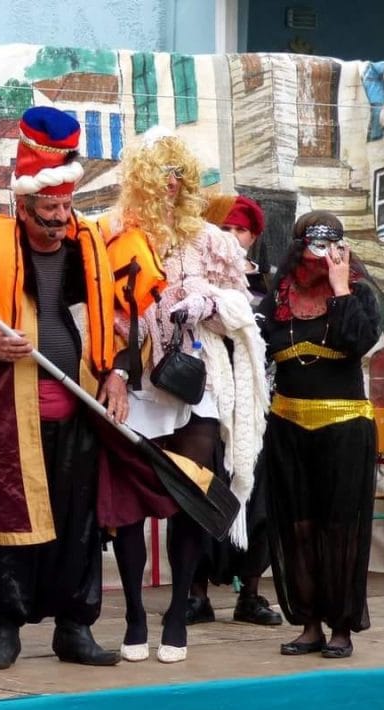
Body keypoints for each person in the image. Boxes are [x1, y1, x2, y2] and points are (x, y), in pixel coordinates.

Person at [0, 106, 127, 671]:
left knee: (78, 529)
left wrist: (117, 373)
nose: (60, 220)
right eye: (49, 211)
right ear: (23, 206)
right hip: (8, 418)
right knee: (8, 527)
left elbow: (120, 319)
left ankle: (75, 630)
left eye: (66, 208)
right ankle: (4, 633)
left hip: (79, 414)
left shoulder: (87, 251)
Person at [103, 129, 268, 664]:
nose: (171, 185)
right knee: (129, 504)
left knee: (192, 497)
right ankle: (134, 614)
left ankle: (178, 612)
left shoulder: (210, 240)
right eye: (161, 175)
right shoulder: (114, 233)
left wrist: (206, 302)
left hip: (195, 383)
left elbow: (243, 311)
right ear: (143, 179)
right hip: (135, 381)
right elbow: (99, 308)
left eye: (180, 175)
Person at [258, 210, 381, 659]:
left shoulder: (358, 293)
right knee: (299, 528)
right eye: (312, 244)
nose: (320, 254)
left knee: (339, 528)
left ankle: (341, 627)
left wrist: (340, 286)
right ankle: (309, 624)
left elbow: (358, 341)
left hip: (344, 428)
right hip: (288, 426)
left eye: (330, 245)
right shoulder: (279, 296)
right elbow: (256, 344)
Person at [179, 194, 283, 627]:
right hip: (206, 405)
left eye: (240, 230)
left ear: (253, 237)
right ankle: (195, 594)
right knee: (200, 492)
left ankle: (251, 595)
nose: (231, 237)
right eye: (223, 228)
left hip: (255, 410)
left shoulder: (268, 288)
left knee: (258, 501)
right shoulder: (192, 281)